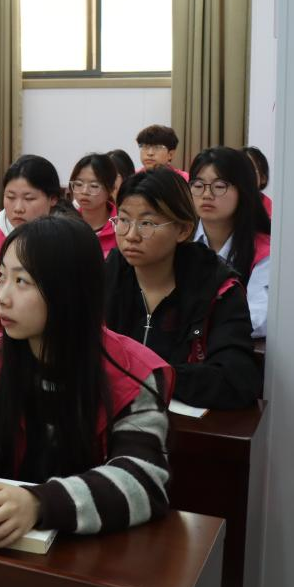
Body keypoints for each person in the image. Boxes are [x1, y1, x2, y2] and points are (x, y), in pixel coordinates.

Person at [0, 216, 172, 543]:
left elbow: (143, 480)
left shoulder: (134, 373)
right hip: (1, 546)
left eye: (22, 281)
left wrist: (37, 504)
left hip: (92, 554)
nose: (2, 297)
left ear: (70, 291)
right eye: (2, 277)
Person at [104, 167, 260, 408]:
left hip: (186, 426)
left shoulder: (218, 289)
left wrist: (153, 376)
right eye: (123, 220)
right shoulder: (107, 276)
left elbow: (236, 380)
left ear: (184, 230)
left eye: (147, 223)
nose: (131, 235)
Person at [189, 147, 272, 339]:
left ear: (243, 190)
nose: (206, 194)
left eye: (219, 186)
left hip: (229, 346)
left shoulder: (263, 251)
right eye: (198, 185)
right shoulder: (179, 239)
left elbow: (259, 318)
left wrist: (201, 328)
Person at [0, 155, 63, 261]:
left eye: (29, 198)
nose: (18, 208)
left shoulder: (64, 237)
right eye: (10, 197)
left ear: (53, 198)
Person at [69, 153, 119, 257]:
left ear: (111, 189)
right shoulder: (66, 225)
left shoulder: (121, 226)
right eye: (78, 184)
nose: (84, 191)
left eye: (94, 186)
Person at [242, 145, 272, 217]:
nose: (244, 175)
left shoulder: (269, 208)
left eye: (250, 169)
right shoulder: (227, 201)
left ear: (263, 178)